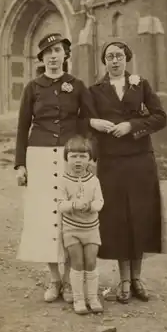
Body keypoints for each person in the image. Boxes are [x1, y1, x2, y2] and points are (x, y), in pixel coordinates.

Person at [14, 32, 97, 304]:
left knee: (71, 219)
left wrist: (86, 153)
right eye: (47, 52)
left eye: (57, 51)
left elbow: (87, 119)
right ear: (42, 58)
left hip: (68, 157)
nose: (52, 56)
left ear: (65, 55)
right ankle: (54, 280)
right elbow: (22, 126)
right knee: (44, 220)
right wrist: (20, 164)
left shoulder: (77, 85)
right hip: (38, 155)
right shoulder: (32, 88)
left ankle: (71, 281)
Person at [89, 38, 167, 304]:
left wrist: (132, 126)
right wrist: (95, 124)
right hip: (112, 163)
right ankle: (123, 280)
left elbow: (159, 117)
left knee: (140, 216)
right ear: (104, 61)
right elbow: (86, 122)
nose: (114, 60)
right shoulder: (95, 90)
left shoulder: (140, 84)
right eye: (109, 56)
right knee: (118, 219)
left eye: (119, 56)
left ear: (126, 59)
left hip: (140, 160)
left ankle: (137, 278)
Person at [57, 135, 104, 315]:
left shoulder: (94, 180)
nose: (78, 161)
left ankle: (92, 297)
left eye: (83, 156)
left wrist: (93, 207)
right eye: (73, 156)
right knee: (77, 262)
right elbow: (60, 204)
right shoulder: (63, 180)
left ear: (90, 159)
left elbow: (100, 200)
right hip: (72, 229)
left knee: (91, 262)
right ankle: (78, 299)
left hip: (91, 228)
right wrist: (73, 205)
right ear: (67, 158)